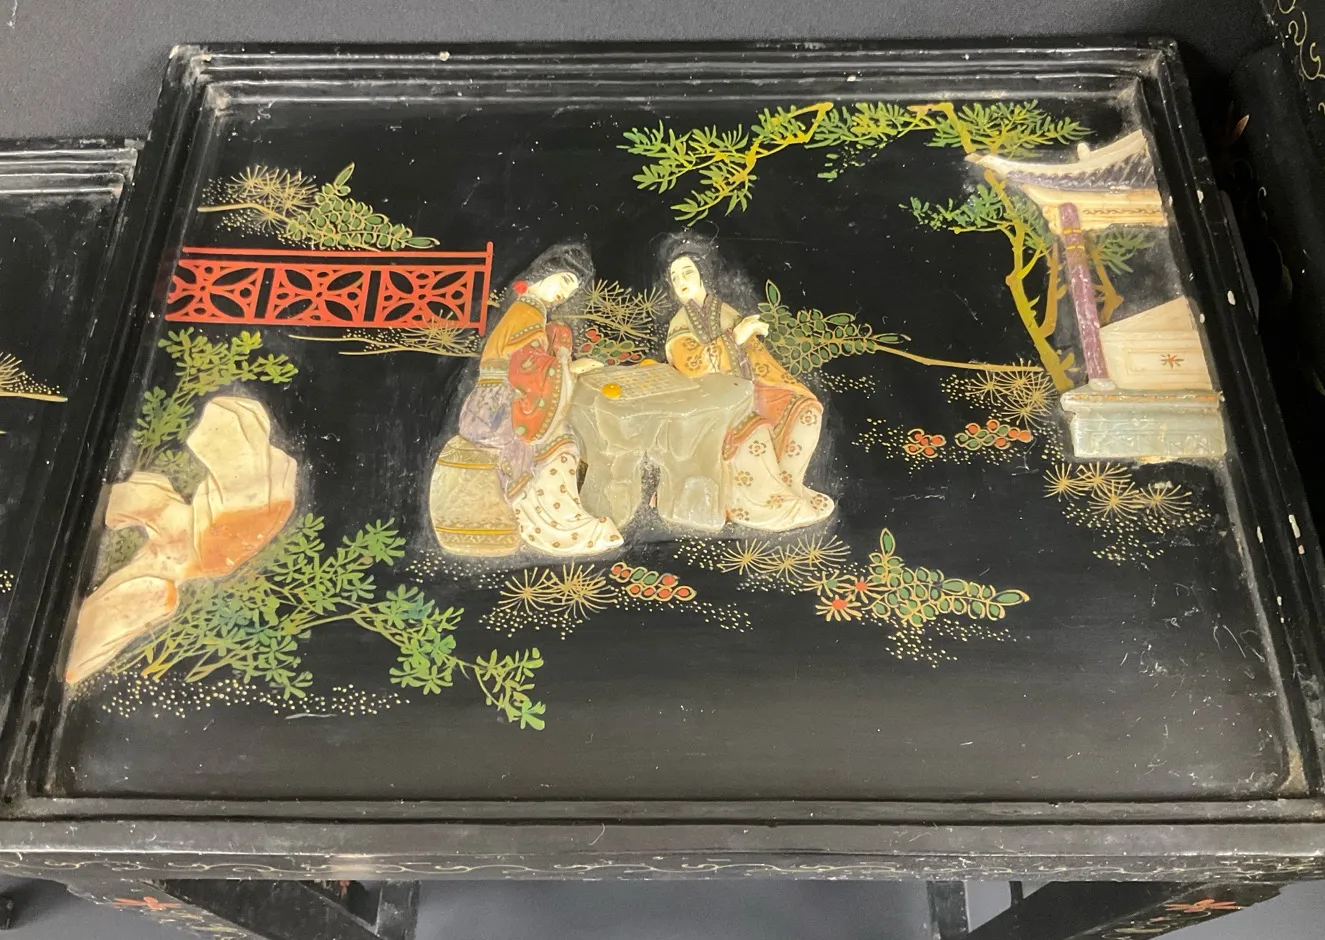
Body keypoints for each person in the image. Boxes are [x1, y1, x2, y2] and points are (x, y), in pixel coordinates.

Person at [430, 243, 622, 557]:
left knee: (565, 440)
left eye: (571, 290)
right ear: (543, 274)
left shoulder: (530, 311)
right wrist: (569, 366)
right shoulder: (527, 312)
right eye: (564, 281)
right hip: (500, 408)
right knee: (561, 447)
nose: (564, 294)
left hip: (498, 402)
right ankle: (560, 530)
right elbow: (527, 368)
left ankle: (561, 523)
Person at [661, 239, 834, 531]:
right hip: (707, 402)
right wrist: (736, 338)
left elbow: (755, 357)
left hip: (746, 389)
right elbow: (692, 365)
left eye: (687, 272)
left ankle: (787, 486)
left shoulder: (724, 311)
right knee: (755, 429)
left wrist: (780, 386)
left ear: (703, 274)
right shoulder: (680, 323)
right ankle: (759, 504)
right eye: (675, 277)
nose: (681, 281)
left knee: (804, 410)